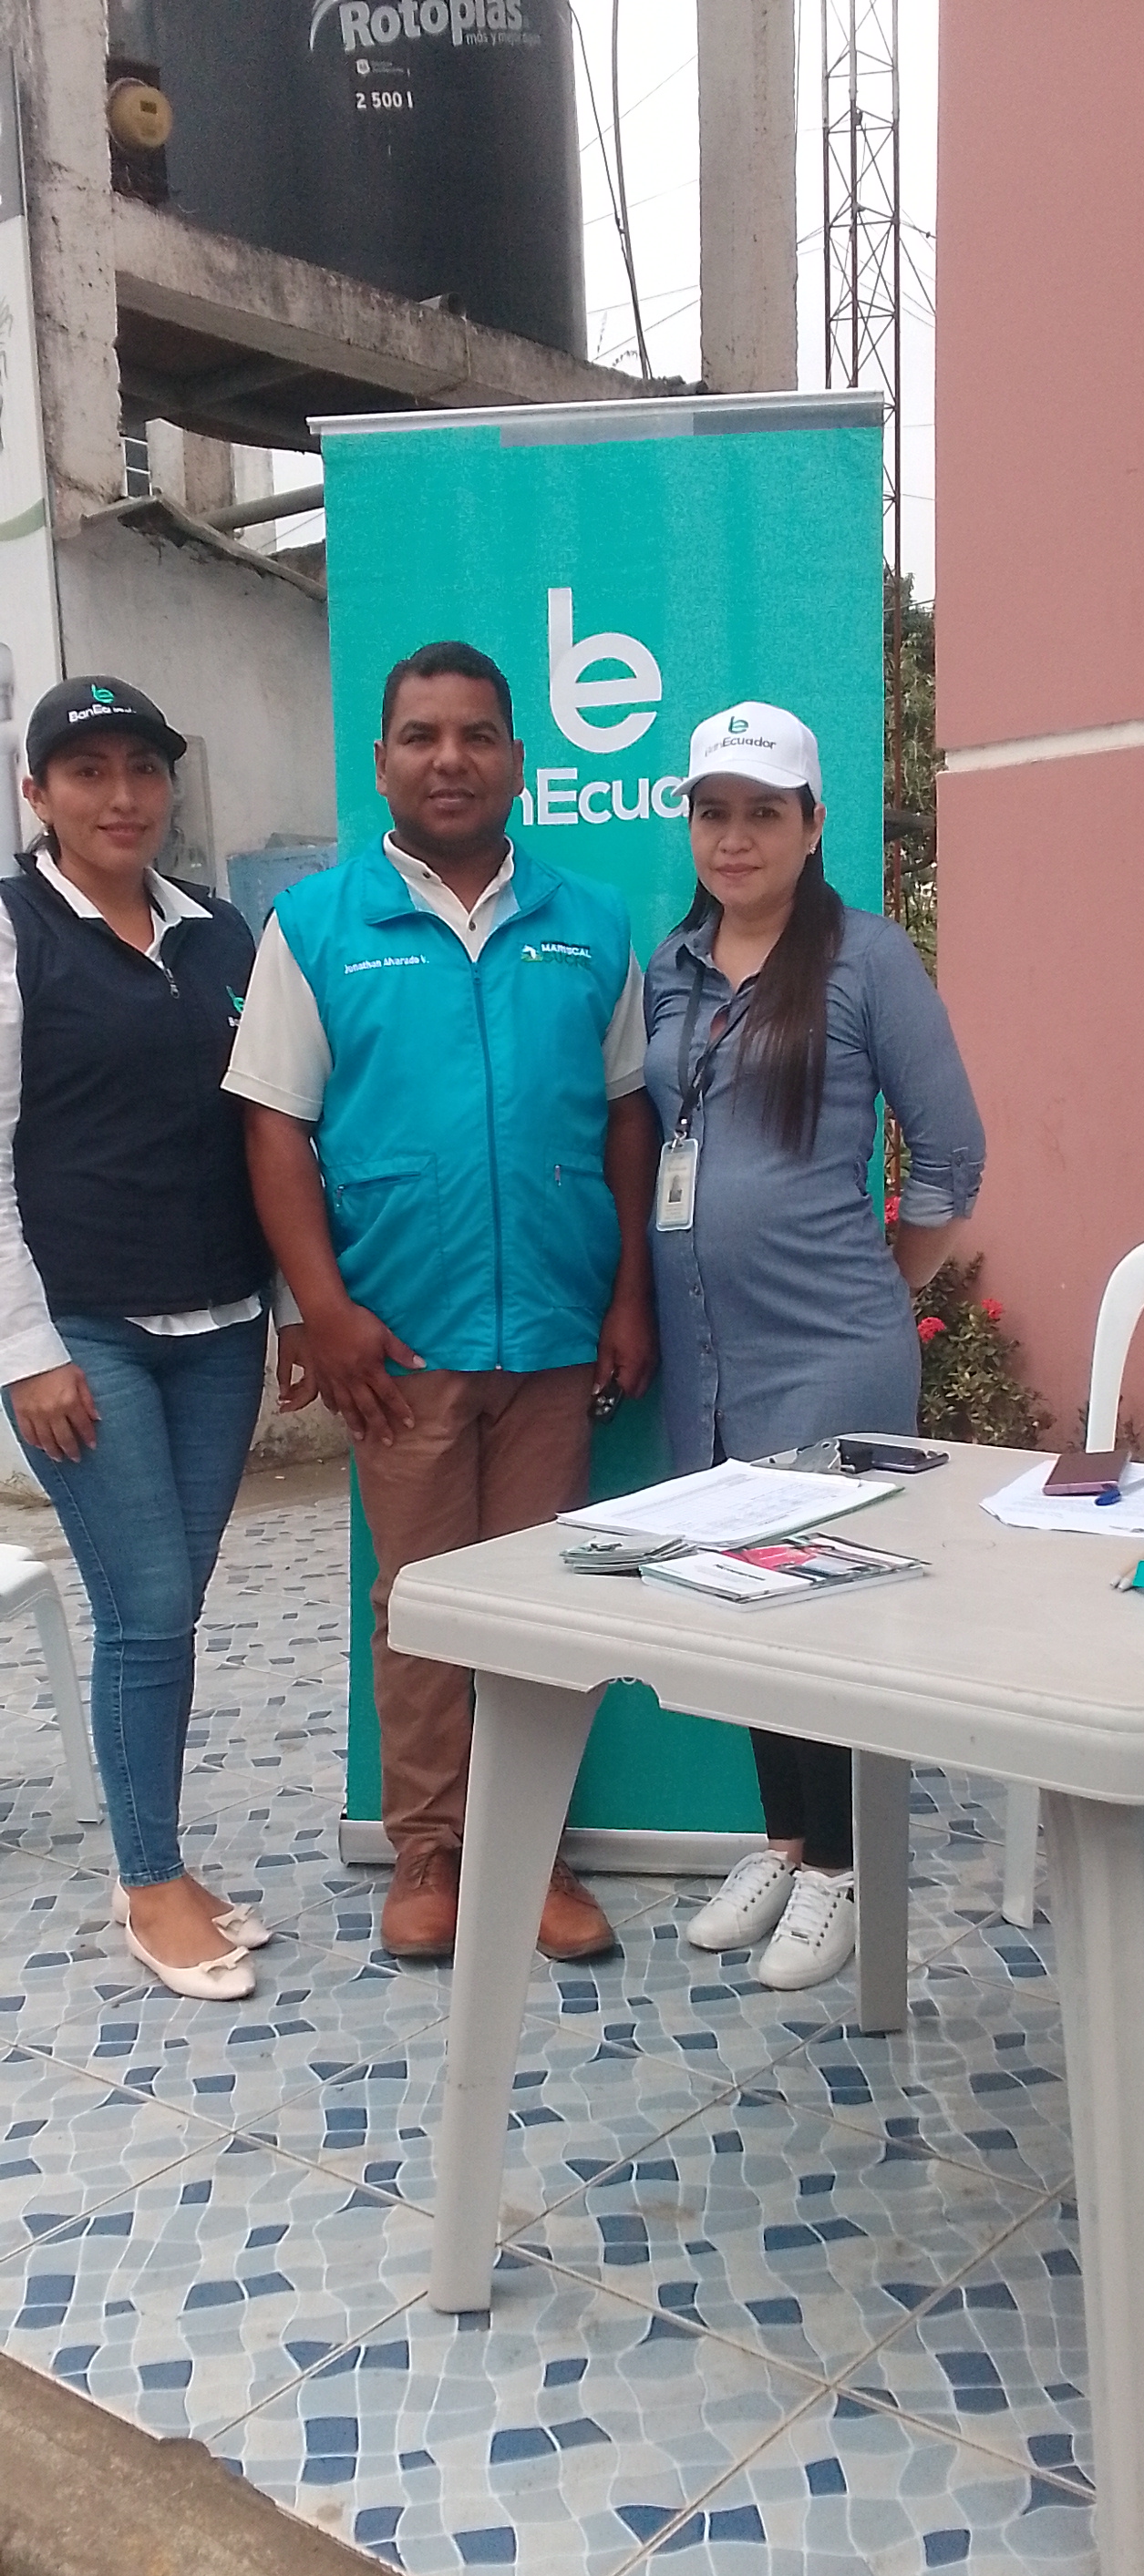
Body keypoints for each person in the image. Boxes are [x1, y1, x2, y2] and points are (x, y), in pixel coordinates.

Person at [225, 640, 659, 1964]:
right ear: (382, 763)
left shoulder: (591, 925)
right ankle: (430, 1850)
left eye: (476, 735)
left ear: (519, 760)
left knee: (540, 1607)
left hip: (554, 1336)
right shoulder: (317, 927)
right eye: (422, 737)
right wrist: (323, 1309)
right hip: (397, 1340)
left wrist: (628, 1294)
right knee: (418, 1603)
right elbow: (274, 1127)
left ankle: (536, 1852)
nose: (450, 759)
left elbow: (627, 1117)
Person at [643, 701, 984, 1991]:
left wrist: (887, 1289)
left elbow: (951, 1152)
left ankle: (844, 1868)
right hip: (708, 1359)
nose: (734, 838)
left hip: (831, 1354)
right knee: (739, 1607)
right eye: (713, 813)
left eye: (763, 813)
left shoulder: (865, 959)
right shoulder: (673, 964)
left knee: (823, 1614)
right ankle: (785, 1842)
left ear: (812, 824)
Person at [0, 676, 275, 2003]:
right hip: (84, 1332)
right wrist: (24, 1349)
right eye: (88, 772)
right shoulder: (15, 933)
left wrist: (285, 1309)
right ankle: (151, 1878)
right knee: (148, 1605)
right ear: (38, 794)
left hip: (220, 1326)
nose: (121, 797)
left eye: (143, 770)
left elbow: (264, 1132)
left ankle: (157, 1862)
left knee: (168, 1605)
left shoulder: (219, 932)